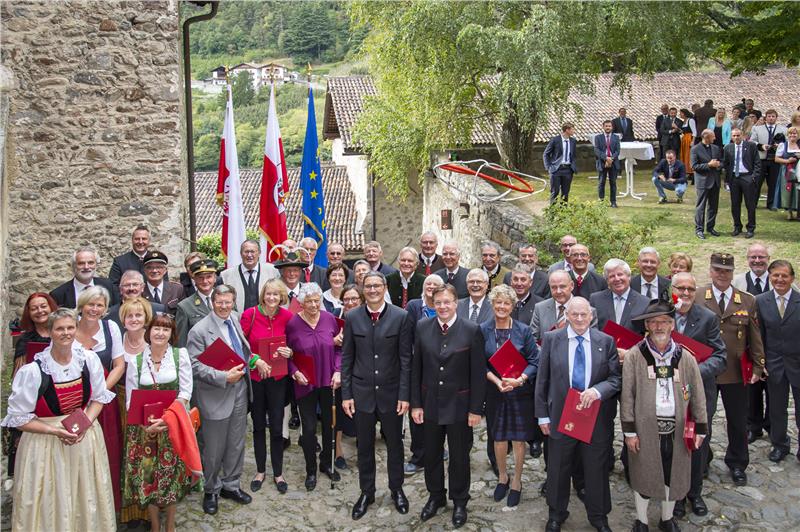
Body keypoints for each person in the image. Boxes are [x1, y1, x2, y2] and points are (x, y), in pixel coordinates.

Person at [1, 308, 116, 531]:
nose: (66, 333)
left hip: (84, 438)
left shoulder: (88, 360)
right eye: (60, 328)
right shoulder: (33, 371)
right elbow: (18, 419)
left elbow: (98, 399)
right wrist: (55, 431)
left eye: (70, 327)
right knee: (49, 498)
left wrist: (84, 425)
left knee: (84, 494)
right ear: (50, 332)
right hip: (44, 442)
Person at [535, 297, 621, 532]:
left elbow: (615, 379)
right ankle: (556, 514)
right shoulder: (552, 339)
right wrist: (542, 415)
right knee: (558, 467)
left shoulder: (606, 341)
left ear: (591, 316)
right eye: (575, 314)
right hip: (560, 415)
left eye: (584, 314)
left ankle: (599, 516)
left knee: (596, 468)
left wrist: (597, 391)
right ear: (567, 316)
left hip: (595, 418)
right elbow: (542, 379)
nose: (580, 319)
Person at [621, 300, 708, 532]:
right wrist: (629, 432)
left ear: (672, 325)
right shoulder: (634, 356)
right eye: (653, 322)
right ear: (647, 325)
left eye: (664, 322)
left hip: (677, 429)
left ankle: (667, 519)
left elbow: (698, 395)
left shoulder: (686, 357)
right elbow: (627, 396)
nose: (659, 326)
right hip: (645, 428)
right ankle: (641, 520)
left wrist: (700, 428)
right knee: (643, 474)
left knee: (673, 475)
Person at [188, 284, 269, 515]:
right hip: (215, 394)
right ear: (212, 302)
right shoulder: (199, 330)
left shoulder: (234, 318)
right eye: (219, 302)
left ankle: (231, 485)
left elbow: (241, 350)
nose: (224, 306)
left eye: (228, 302)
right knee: (214, 448)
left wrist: (255, 360)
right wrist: (223, 377)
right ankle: (211, 489)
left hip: (240, 390)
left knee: (236, 442)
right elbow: (193, 365)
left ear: (234, 302)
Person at [411, 284, 486, 528]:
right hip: (430, 404)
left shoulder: (471, 330)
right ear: (433, 304)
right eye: (438, 302)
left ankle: (460, 500)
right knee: (432, 454)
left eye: (447, 302)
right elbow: (416, 368)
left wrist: (475, 409)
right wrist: (416, 404)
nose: (442, 307)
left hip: (460, 406)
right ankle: (436, 496)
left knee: (459, 456)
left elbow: (478, 373)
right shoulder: (422, 327)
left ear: (456, 303)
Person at [341, 272, 413, 520]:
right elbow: (347, 358)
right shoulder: (352, 317)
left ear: (385, 288)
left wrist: (404, 394)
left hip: (392, 394)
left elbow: (406, 359)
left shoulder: (401, 317)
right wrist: (346, 394)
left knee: (395, 445)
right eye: (368, 286)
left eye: (377, 286)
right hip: (361, 393)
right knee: (364, 446)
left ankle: (397, 489)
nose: (372, 290)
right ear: (363, 290)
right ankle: (367, 492)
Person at [123, 314, 198, 532]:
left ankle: (170, 526)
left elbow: (185, 392)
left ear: (171, 334)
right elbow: (130, 399)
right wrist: (145, 424)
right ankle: (155, 526)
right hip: (145, 431)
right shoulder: (136, 360)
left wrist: (167, 420)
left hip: (172, 426)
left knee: (171, 477)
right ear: (149, 332)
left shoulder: (180, 356)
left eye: (166, 329)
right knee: (149, 479)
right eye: (157, 328)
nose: (160, 333)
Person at [695, 253, 765, 486]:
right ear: (710, 271)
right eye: (718, 270)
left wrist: (758, 365)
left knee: (738, 420)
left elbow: (754, 336)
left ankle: (737, 463)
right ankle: (702, 460)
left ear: (733, 273)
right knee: (703, 419)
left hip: (735, 371)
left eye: (726, 271)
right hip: (705, 370)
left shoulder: (747, 300)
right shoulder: (697, 296)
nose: (722, 274)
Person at [669, 272, 726, 519]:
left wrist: (692, 372)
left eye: (690, 289)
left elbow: (720, 357)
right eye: (680, 288)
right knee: (673, 444)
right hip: (667, 393)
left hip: (700, 393)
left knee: (697, 442)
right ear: (671, 290)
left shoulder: (708, 318)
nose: (685, 293)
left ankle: (695, 493)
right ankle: (677, 494)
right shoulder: (661, 315)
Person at [480, 284, 539, 508]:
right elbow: (479, 363)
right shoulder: (483, 330)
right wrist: (497, 382)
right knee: (498, 437)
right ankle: (503, 477)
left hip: (519, 391)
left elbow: (534, 361)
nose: (502, 306)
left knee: (518, 438)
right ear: (492, 304)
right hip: (495, 391)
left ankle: (517, 481)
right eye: (498, 302)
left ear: (512, 306)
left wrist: (520, 379)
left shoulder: (523, 330)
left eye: (506, 303)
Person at [285, 283, 343, 490]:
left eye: (316, 300)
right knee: (309, 429)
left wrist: (338, 370)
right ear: (301, 303)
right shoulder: (293, 324)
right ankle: (311, 469)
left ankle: (326, 462)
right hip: (305, 383)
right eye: (308, 301)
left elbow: (339, 348)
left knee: (330, 424)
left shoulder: (329, 319)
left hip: (329, 381)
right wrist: (294, 372)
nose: (313, 305)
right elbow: (287, 354)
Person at [74, 285, 125, 512]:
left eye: (99, 305)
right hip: (74, 398)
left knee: (106, 448)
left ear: (105, 309)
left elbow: (119, 365)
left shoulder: (110, 327)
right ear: (81, 305)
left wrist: (100, 391)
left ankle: (105, 502)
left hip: (104, 398)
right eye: (90, 304)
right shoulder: (69, 326)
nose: (94, 309)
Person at [240, 279, 294, 494]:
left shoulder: (287, 316)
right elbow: (240, 345)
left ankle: (278, 473)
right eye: (268, 294)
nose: (272, 298)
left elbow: (294, 343)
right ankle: (260, 471)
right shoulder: (250, 314)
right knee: (259, 425)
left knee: (278, 426)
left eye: (276, 294)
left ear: (282, 297)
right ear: (263, 295)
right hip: (256, 379)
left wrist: (290, 351)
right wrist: (255, 360)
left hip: (278, 380)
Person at [6, 292, 57, 488]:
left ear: (51, 307)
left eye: (43, 306)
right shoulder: (25, 340)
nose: (40, 311)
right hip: (35, 397)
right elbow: (18, 374)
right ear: (29, 313)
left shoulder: (61, 332)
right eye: (34, 308)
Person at [756, 260, 800, 463]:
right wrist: (761, 362)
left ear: (792, 278)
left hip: (797, 363)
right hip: (774, 364)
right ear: (770, 277)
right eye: (775, 275)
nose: (780, 279)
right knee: (776, 408)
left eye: (784, 275)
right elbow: (758, 335)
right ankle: (780, 444)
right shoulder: (760, 301)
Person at [117, 296, 156, 524]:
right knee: (126, 455)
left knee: (146, 457)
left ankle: (148, 509)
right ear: (123, 319)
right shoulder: (117, 340)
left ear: (146, 318)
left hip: (146, 406)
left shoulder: (153, 342)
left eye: (138, 315)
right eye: (129, 315)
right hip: (120, 403)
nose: (134, 319)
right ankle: (129, 510)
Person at [404, 274, 445, 475]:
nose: (431, 286)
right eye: (428, 283)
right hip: (418, 367)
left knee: (439, 412)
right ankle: (419, 456)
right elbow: (408, 336)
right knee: (418, 412)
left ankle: (438, 448)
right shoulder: (414, 306)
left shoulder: (444, 308)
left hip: (442, 368)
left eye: (436, 284)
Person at [334, 285, 363, 468]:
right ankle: (338, 452)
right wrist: (334, 340)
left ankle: (363, 449)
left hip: (362, 372)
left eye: (354, 299)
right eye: (346, 299)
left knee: (363, 413)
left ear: (361, 300)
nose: (350, 303)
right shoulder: (335, 316)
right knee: (337, 413)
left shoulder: (367, 317)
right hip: (339, 371)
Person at [590, 258, 650, 334]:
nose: (617, 279)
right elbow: (592, 328)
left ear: (629, 276)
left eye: (620, 274)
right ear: (607, 280)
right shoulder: (596, 300)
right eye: (612, 276)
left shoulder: (644, 302)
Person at [50, 246, 118, 308]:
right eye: (81, 263)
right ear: (73, 266)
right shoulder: (58, 295)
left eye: (90, 263)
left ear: (96, 265)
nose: (86, 267)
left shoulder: (109, 286)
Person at [221, 239, 279, 312]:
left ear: (259, 253)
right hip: (238, 318)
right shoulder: (226, 275)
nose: (249, 255)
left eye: (252, 252)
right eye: (246, 252)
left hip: (266, 317)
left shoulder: (273, 271)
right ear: (241, 253)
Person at [723, 128, 762, 238]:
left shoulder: (751, 146)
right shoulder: (728, 148)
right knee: (735, 204)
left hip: (747, 177)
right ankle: (737, 226)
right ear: (731, 137)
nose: (736, 137)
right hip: (734, 178)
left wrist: (753, 177)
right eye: (734, 136)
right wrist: (726, 180)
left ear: (742, 135)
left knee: (750, 204)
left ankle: (751, 228)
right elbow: (726, 164)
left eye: (738, 135)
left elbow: (757, 162)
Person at [750, 109, 789, 210]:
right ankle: (753, 203)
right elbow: (752, 141)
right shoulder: (757, 129)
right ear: (765, 118)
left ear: (776, 118)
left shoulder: (783, 129)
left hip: (775, 160)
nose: (771, 118)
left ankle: (771, 204)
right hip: (761, 159)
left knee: (773, 183)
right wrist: (761, 146)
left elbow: (787, 143)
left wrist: (780, 146)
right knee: (757, 182)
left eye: (773, 116)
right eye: (769, 116)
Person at [176, 259, 218, 347]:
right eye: (200, 278)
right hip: (199, 353)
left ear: (215, 278)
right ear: (194, 279)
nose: (205, 281)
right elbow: (181, 341)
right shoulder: (185, 306)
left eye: (209, 277)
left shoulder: (226, 300)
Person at [690, 129, 723, 240]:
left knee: (713, 206)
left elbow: (721, 161)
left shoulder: (716, 148)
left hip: (715, 181)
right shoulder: (695, 149)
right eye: (713, 136)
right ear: (706, 137)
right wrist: (709, 165)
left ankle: (710, 227)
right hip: (703, 182)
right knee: (701, 207)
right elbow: (694, 166)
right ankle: (699, 229)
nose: (715, 138)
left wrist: (719, 165)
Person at [543, 122, 577, 204]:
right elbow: (546, 154)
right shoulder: (555, 140)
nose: (574, 131)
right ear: (567, 130)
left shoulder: (573, 141)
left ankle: (564, 210)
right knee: (555, 191)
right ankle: (553, 210)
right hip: (556, 169)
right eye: (573, 129)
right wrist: (548, 167)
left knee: (565, 193)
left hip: (568, 170)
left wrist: (573, 166)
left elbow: (573, 155)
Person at [142, 250, 184, 315]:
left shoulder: (177, 289)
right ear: (145, 270)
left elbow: (183, 315)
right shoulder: (140, 291)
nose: (154, 270)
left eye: (159, 267)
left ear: (165, 270)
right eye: (150, 267)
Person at [109, 224, 151, 288]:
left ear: (149, 241)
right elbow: (113, 287)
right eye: (137, 239)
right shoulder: (119, 262)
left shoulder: (157, 260)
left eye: (144, 239)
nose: (140, 242)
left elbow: (164, 284)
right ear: (132, 240)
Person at [594, 120, 621, 207]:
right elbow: (596, 150)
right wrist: (606, 158)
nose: (608, 127)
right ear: (603, 127)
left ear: (612, 127)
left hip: (613, 162)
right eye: (606, 126)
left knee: (613, 183)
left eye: (609, 126)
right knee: (601, 183)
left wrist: (611, 159)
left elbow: (618, 150)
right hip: (602, 162)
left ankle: (613, 202)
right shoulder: (598, 137)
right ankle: (601, 202)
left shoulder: (616, 137)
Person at [775, 127, 799, 218]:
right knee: (787, 191)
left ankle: (797, 211)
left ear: (798, 135)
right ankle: (789, 211)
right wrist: (788, 161)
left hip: (798, 170)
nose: (792, 135)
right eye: (790, 133)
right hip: (787, 170)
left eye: (794, 133)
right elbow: (776, 159)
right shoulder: (783, 145)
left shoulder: (799, 145)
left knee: (797, 190)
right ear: (787, 135)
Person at [678, 109, 697, 182]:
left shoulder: (690, 120)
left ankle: (692, 172)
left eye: (681, 113)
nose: (680, 114)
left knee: (689, 155)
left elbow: (694, 132)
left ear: (685, 114)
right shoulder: (684, 121)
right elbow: (684, 131)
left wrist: (693, 141)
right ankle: (687, 171)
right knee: (685, 155)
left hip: (689, 139)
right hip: (684, 139)